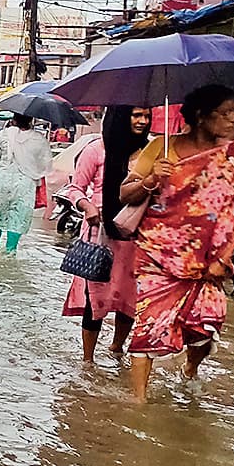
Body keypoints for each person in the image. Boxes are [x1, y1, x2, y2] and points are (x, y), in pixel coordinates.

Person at [123, 85, 234, 402]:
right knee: (149, 326)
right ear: (201, 115)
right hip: (157, 254)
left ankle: (190, 369)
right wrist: (151, 179)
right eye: (226, 112)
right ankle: (138, 401)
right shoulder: (161, 148)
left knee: (207, 325)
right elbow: (125, 194)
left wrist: (224, 256)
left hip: (208, 259)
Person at [60, 106, 151, 363]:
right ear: (121, 117)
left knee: (130, 297)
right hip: (100, 233)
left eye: (146, 116)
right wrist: (87, 206)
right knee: (96, 297)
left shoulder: (151, 153)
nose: (142, 121)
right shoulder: (96, 150)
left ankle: (116, 349)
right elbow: (75, 188)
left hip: (137, 236)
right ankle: (88, 361)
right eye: (136, 115)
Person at [0, 114, 53, 252]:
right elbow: (46, 164)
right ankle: (11, 250)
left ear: (13, 120)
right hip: (25, 183)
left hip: (3, 180)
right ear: (31, 121)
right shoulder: (39, 139)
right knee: (19, 216)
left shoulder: (3, 135)